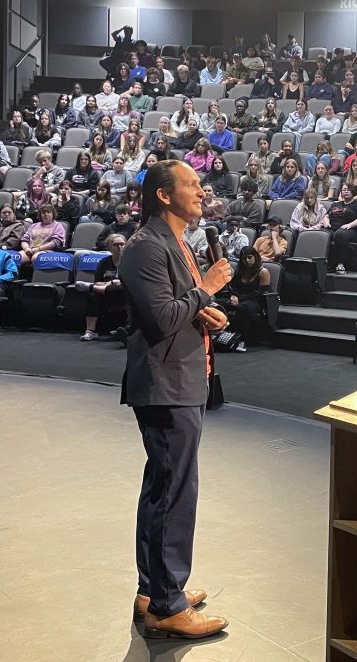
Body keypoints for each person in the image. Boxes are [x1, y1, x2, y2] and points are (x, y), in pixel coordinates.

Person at [117, 159, 232, 640]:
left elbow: (179, 308)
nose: (202, 192)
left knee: (163, 488)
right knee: (174, 494)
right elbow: (161, 318)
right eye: (192, 184)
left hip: (182, 380)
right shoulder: (145, 246)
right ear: (163, 194)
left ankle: (155, 589)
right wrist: (207, 289)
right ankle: (167, 605)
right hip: (166, 385)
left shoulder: (175, 242)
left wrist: (206, 311)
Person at [215, 246, 271, 351]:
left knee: (243, 307)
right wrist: (233, 297)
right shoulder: (241, 271)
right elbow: (233, 287)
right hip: (239, 298)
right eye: (244, 258)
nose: (247, 260)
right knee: (218, 303)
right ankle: (218, 334)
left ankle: (241, 339)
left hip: (255, 301)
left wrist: (239, 300)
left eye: (250, 257)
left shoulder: (263, 272)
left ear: (255, 257)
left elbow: (260, 293)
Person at [79, 233, 128, 342]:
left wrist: (110, 282)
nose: (119, 247)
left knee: (120, 288)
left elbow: (129, 282)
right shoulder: (104, 262)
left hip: (125, 295)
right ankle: (90, 331)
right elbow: (98, 282)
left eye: (122, 244)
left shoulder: (130, 262)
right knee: (93, 295)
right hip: (106, 295)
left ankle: (89, 287)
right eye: (116, 245)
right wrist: (112, 283)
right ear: (110, 248)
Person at [327, 184, 357, 272]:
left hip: (350, 230)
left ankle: (340, 263)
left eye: (348, 190)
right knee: (322, 234)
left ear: (353, 192)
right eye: (344, 190)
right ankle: (324, 263)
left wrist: (350, 225)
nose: (346, 192)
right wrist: (326, 223)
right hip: (332, 227)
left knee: (340, 234)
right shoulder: (335, 204)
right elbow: (326, 216)